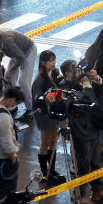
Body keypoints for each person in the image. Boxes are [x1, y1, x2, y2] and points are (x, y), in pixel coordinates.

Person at [57, 61, 103, 202]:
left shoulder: (80, 82)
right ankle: (79, 195)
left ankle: (97, 189)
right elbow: (88, 102)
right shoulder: (64, 88)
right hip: (81, 132)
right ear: (67, 73)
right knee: (82, 164)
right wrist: (86, 84)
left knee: (95, 162)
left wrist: (96, 79)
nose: (78, 71)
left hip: (92, 128)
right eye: (74, 69)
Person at [0, 24, 37, 120]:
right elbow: (1, 48)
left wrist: (11, 70)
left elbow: (21, 57)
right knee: (7, 79)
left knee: (23, 81)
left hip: (27, 51)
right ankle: (12, 105)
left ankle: (31, 109)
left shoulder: (7, 41)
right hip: (17, 52)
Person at [31, 51, 67, 183]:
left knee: (53, 142)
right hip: (44, 114)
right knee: (44, 142)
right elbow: (38, 100)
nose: (53, 62)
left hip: (54, 112)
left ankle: (51, 169)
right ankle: (44, 172)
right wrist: (51, 97)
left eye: (54, 59)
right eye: (50, 60)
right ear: (43, 63)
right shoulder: (39, 80)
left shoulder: (55, 73)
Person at [0, 86, 24, 201]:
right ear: (12, 100)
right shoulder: (3, 117)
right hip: (4, 157)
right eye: (16, 102)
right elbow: (6, 142)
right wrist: (13, 158)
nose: (15, 105)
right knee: (6, 189)